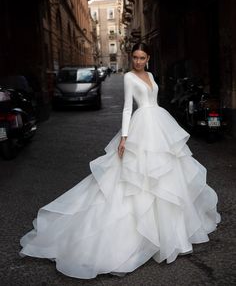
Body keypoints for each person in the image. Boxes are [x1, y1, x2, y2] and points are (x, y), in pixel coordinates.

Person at [19, 42, 221, 279]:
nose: (138, 61)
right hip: (141, 126)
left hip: (159, 124)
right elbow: (127, 108)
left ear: (148, 58)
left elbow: (154, 101)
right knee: (138, 179)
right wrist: (124, 137)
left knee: (169, 175)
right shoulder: (128, 77)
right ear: (131, 58)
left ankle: (172, 235)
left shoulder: (152, 75)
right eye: (135, 57)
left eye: (142, 57)